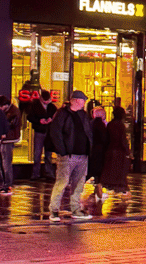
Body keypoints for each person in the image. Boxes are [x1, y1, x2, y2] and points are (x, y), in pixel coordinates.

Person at [47, 91, 92, 219]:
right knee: (62, 182)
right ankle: (54, 210)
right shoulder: (62, 114)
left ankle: (76, 209)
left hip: (82, 155)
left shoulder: (83, 115)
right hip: (68, 155)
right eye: (83, 100)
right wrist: (63, 151)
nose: (84, 103)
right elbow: (55, 132)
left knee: (78, 183)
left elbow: (88, 132)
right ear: (77, 100)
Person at [100, 104, 131, 198]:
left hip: (110, 149)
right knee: (119, 170)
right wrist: (127, 150)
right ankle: (120, 188)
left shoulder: (110, 124)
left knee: (111, 170)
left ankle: (110, 186)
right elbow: (122, 139)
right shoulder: (120, 125)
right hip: (118, 151)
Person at [26, 88, 56, 179]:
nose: (46, 103)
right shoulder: (35, 106)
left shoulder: (52, 107)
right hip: (39, 131)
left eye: (48, 101)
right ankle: (36, 174)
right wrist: (39, 121)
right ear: (41, 99)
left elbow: (57, 116)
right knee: (37, 153)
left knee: (48, 154)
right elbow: (29, 117)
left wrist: (51, 119)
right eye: (44, 101)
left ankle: (48, 173)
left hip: (48, 132)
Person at [82, 104, 107, 203]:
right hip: (100, 152)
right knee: (98, 173)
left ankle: (79, 187)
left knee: (89, 171)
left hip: (92, 151)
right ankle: (98, 190)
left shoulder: (90, 124)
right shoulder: (103, 125)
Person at [0, 94, 19, 194]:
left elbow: (11, 125)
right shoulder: (8, 111)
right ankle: (5, 183)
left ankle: (7, 184)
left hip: (8, 139)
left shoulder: (13, 111)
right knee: (2, 163)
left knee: (6, 163)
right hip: (3, 140)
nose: (0, 108)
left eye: (1, 106)